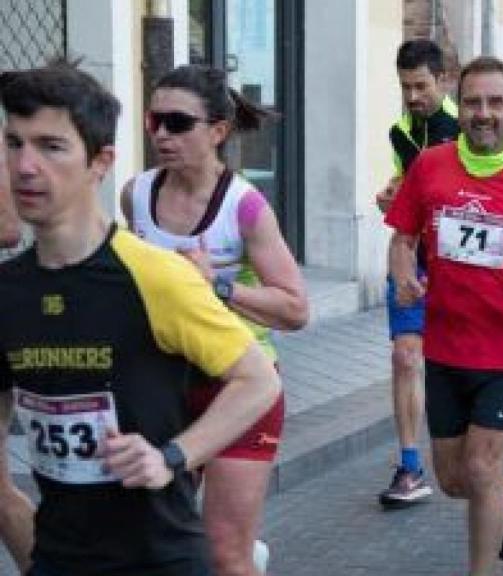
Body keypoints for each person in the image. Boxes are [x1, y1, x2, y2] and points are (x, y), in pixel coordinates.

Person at [0, 61, 281, 576]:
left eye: (51, 146)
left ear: (100, 162)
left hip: (158, 558)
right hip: (59, 557)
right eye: (13, 143)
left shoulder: (154, 275)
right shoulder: (8, 291)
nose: (24, 166)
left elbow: (259, 381)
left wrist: (172, 456)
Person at [386, 56, 503, 575]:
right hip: (446, 346)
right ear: (460, 104)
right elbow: (402, 236)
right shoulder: (430, 167)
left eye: (496, 102)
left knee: (480, 464)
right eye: (474, 101)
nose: (484, 113)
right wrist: (404, 273)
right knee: (454, 479)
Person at [120, 64, 309, 576]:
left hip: (241, 386)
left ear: (218, 131)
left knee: (225, 552)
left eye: (179, 123)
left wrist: (218, 287)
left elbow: (295, 309)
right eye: (154, 119)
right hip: (162, 385)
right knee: (156, 544)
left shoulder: (244, 206)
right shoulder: (135, 194)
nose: (162, 133)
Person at [374, 38, 460, 509]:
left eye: (421, 86)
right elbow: (403, 186)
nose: (412, 96)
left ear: (443, 79)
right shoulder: (400, 132)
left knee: (457, 366)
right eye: (405, 87)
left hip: (460, 266)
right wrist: (393, 196)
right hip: (412, 257)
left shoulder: (469, 126)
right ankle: (409, 466)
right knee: (406, 356)